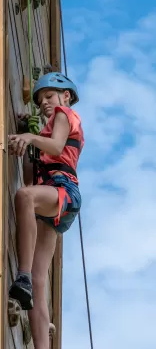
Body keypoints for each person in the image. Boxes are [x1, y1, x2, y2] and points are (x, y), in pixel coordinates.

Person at [7, 72, 84, 348]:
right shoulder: (43, 131)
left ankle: (22, 275)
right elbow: (30, 177)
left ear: (66, 96)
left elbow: (56, 146)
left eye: (49, 97)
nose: (45, 104)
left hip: (63, 189)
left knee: (25, 197)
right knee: (41, 281)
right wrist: (28, 145)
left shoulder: (64, 115)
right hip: (51, 199)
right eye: (40, 102)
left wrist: (30, 136)